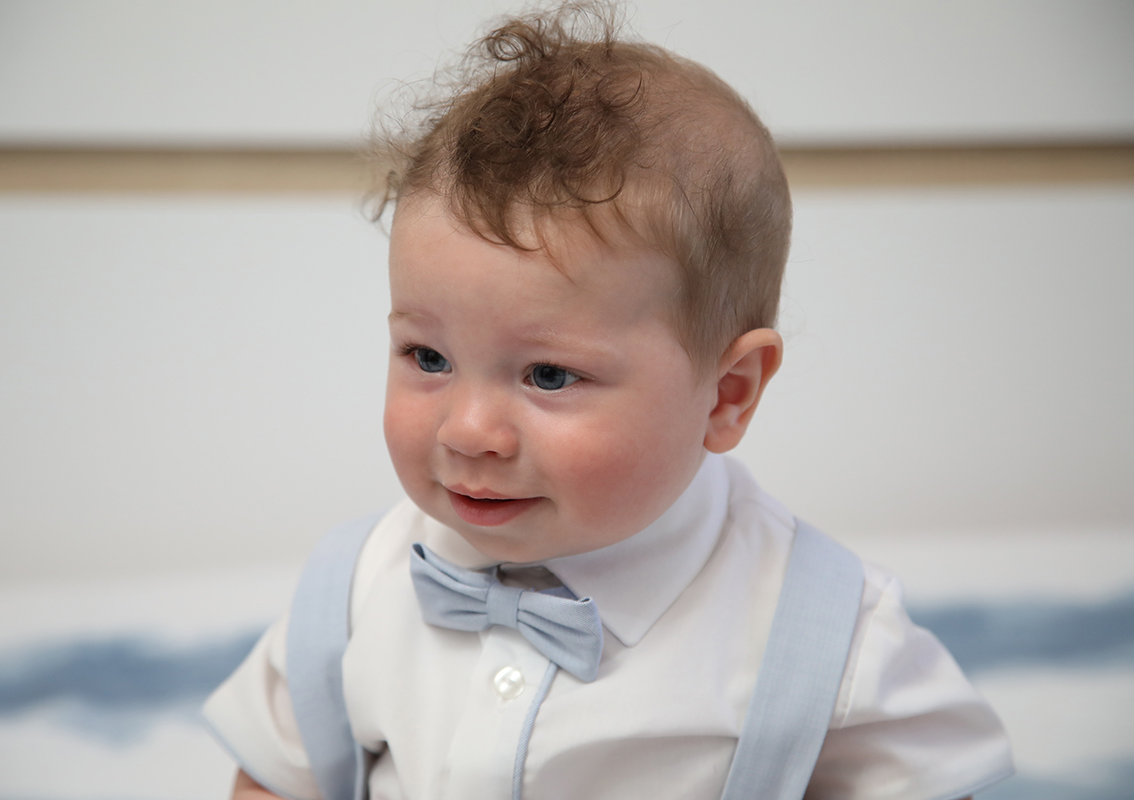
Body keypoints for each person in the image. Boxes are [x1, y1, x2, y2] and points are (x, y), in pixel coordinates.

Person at [203, 4, 1013, 799]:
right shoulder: (357, 587)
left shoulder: (831, 639)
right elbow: (276, 775)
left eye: (549, 375)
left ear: (726, 395)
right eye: (429, 357)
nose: (470, 430)